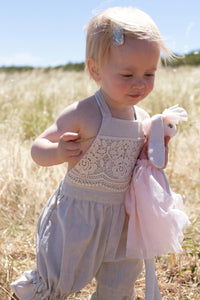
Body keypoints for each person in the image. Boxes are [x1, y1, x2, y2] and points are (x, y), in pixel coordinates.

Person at [11, 6, 173, 300]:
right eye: (127, 74)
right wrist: (59, 151)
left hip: (123, 217)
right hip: (79, 215)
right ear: (95, 69)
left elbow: (147, 165)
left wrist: (158, 149)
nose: (140, 83)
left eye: (149, 73)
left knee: (121, 280)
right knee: (60, 274)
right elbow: (38, 148)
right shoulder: (84, 112)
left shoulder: (143, 117)